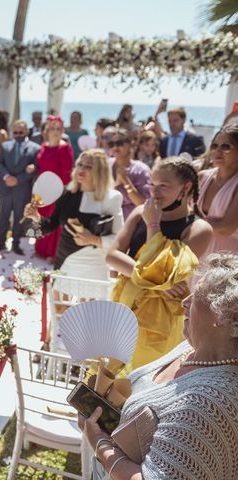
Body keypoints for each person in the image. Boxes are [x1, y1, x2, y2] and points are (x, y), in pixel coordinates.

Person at [84, 252, 238, 480]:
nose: (185, 301)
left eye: (196, 297)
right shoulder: (188, 348)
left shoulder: (206, 401)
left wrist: (100, 445)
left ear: (222, 315)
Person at [106, 156, 213, 368]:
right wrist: (158, 283)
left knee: (143, 375)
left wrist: (153, 225)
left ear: (186, 188)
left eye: (163, 186)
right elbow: (111, 256)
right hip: (125, 304)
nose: (154, 192)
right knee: (109, 372)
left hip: (161, 318)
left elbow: (166, 273)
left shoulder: (198, 229)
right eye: (152, 185)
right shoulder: (139, 213)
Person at [25, 148, 123, 282]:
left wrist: (95, 240)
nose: (81, 169)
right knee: (59, 303)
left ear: (101, 172)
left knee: (91, 304)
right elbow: (50, 226)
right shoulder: (67, 193)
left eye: (88, 167)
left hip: (93, 268)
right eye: (79, 165)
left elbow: (119, 240)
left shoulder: (112, 197)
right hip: (64, 263)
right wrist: (36, 217)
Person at [0, 120, 40, 254]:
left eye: (21, 132)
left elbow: (35, 169)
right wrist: (6, 177)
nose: (18, 134)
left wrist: (18, 180)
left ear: (27, 131)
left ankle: (16, 243)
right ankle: (1, 243)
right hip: (6, 187)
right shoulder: (5, 146)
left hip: (22, 189)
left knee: (19, 218)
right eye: (15, 132)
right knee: (3, 216)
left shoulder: (35, 148)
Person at [196, 122, 238, 263]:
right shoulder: (201, 177)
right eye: (214, 146)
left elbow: (225, 228)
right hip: (197, 255)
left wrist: (190, 220)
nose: (218, 151)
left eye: (226, 147)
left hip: (226, 261)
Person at [34, 116, 74, 262]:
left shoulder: (65, 148)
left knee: (54, 220)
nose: (55, 131)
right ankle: (41, 249)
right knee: (41, 218)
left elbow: (67, 173)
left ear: (62, 130)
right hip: (43, 188)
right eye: (52, 128)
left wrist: (59, 192)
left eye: (59, 129)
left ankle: (54, 253)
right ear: (47, 130)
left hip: (58, 190)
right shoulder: (44, 146)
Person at [109, 128, 151, 219]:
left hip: (132, 223)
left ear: (131, 144)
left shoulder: (141, 169)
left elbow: (143, 203)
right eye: (111, 144)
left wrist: (126, 181)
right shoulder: (105, 166)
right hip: (107, 221)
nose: (115, 147)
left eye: (119, 143)